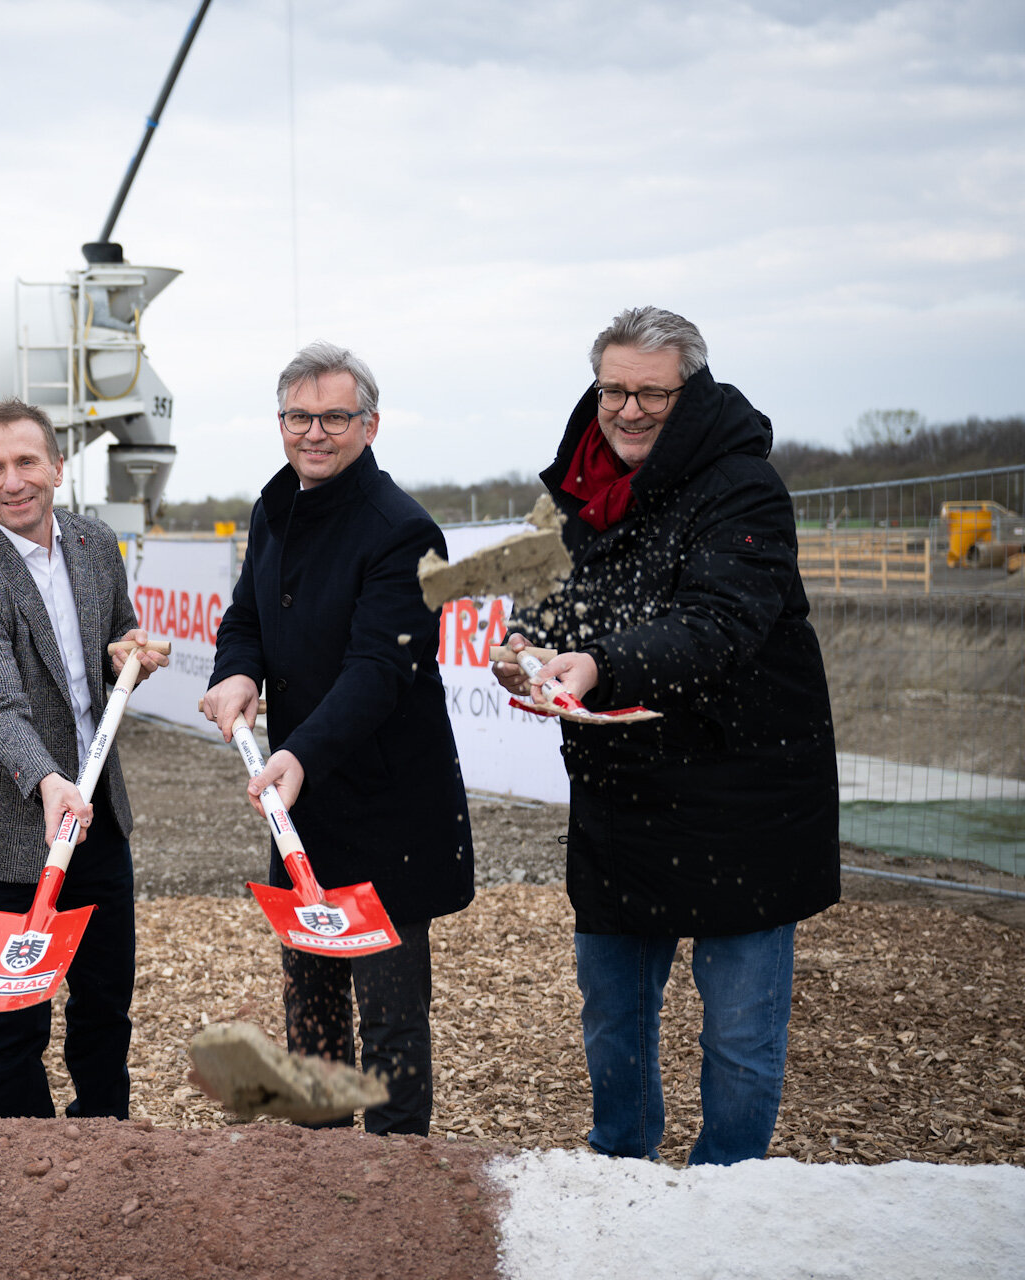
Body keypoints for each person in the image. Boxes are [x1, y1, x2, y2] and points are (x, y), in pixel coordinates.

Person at [494, 305, 839, 1166]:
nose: (629, 409)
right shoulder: (577, 490)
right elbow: (547, 603)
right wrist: (527, 650)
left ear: (689, 391)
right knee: (615, 1017)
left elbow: (718, 623)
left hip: (745, 797)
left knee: (736, 1036)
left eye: (652, 392)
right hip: (624, 800)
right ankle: (621, 1172)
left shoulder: (743, 487)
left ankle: (729, 1193)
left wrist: (598, 664)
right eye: (614, 389)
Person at [200, 341, 475, 1136]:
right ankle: (317, 1184)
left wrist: (297, 755)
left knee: (388, 1020)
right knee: (312, 1009)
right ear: (279, 422)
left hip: (387, 807)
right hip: (304, 807)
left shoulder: (404, 531)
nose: (313, 433)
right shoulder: (274, 504)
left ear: (371, 423)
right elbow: (247, 615)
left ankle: (395, 1187)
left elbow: (375, 674)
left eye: (334, 417)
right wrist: (238, 672)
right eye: (298, 416)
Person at [0, 397, 164, 1119]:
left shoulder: (96, 545)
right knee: (15, 1022)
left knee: (104, 1005)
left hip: (97, 820)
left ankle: (104, 1148)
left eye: (26, 461)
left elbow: (117, 633)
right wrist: (46, 782)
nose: (13, 481)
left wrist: (130, 652)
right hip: (6, 833)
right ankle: (23, 1178)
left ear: (58, 468)